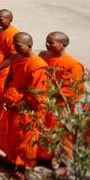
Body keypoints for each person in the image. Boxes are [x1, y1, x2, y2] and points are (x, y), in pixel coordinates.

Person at [0, 32, 48, 180]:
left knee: (24, 138)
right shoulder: (15, 57)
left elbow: (36, 93)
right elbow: (10, 76)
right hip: (11, 101)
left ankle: (21, 168)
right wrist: (6, 93)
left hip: (27, 107)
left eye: (19, 45)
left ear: (29, 45)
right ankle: (9, 159)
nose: (15, 47)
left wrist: (19, 105)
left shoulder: (38, 66)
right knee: (9, 134)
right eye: (14, 44)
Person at [37, 31, 85, 175]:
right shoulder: (44, 56)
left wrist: (47, 92)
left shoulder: (73, 65)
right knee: (43, 131)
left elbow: (73, 91)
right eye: (46, 41)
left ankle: (65, 166)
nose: (47, 44)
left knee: (62, 136)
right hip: (45, 102)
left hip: (60, 106)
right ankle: (44, 157)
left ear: (63, 45)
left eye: (51, 42)